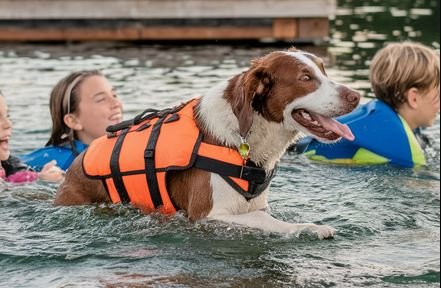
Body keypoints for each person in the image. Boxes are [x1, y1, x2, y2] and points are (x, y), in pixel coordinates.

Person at [294, 42, 440, 168]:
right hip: (305, 164)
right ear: (413, 98)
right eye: (438, 94)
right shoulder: (404, 146)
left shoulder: (373, 113)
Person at [21, 70, 124, 171]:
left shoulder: (130, 149)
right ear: (73, 121)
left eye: (114, 95)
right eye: (101, 99)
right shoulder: (56, 161)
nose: (116, 103)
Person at [0, 90, 64, 183]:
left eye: (8, 116)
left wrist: (42, 176)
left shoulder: (11, 164)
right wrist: (38, 178)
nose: (8, 124)